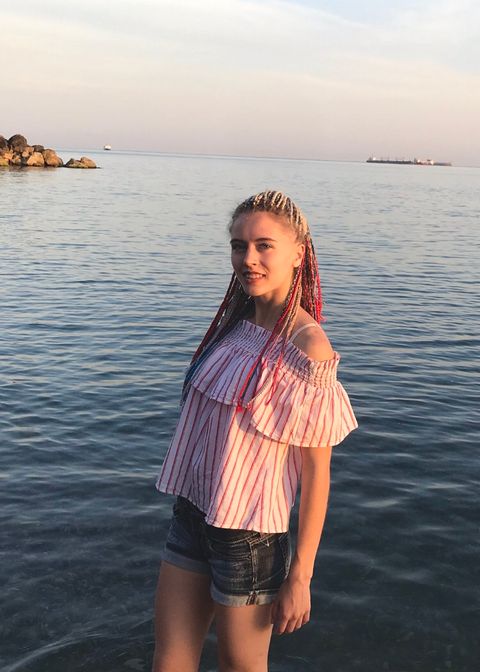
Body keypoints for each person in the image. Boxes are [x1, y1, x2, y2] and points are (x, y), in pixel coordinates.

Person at [152, 190, 358, 672]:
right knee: (169, 662)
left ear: (298, 253)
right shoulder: (236, 323)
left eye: (264, 245)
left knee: (240, 666)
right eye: (238, 245)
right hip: (192, 514)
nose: (248, 258)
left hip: (250, 537)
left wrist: (301, 576)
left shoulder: (308, 349)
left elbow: (317, 474)